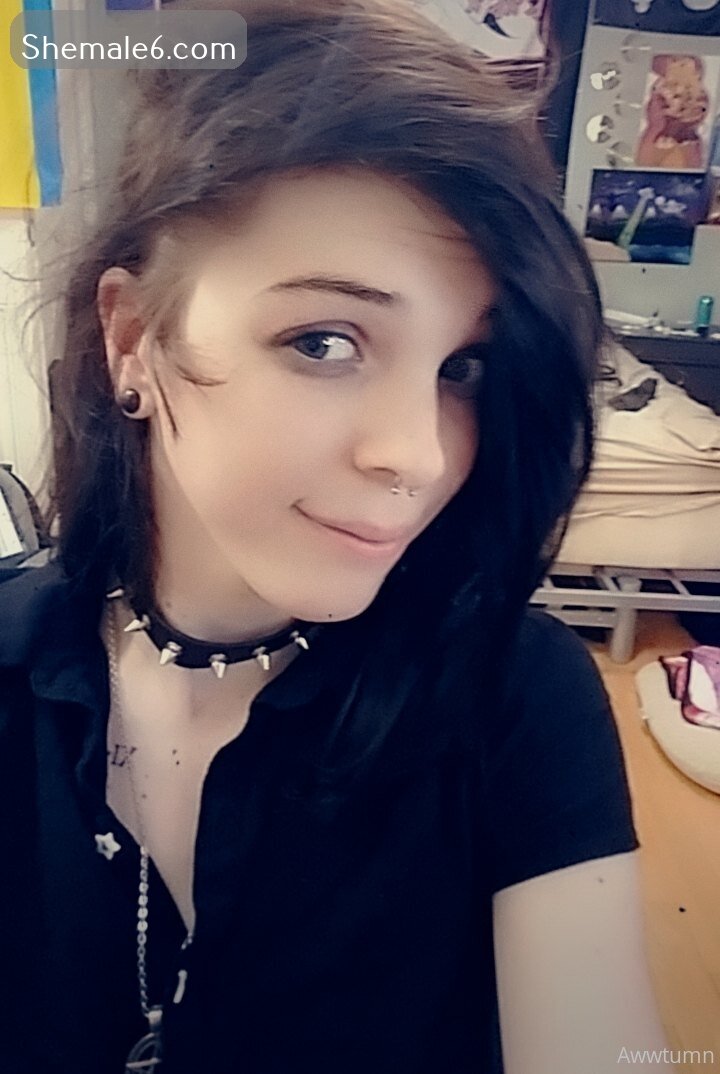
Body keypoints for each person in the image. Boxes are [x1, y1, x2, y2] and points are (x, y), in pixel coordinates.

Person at [0, 1, 675, 1072]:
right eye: (324, 341)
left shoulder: (511, 692)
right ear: (132, 337)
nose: (418, 454)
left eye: (463, 368)